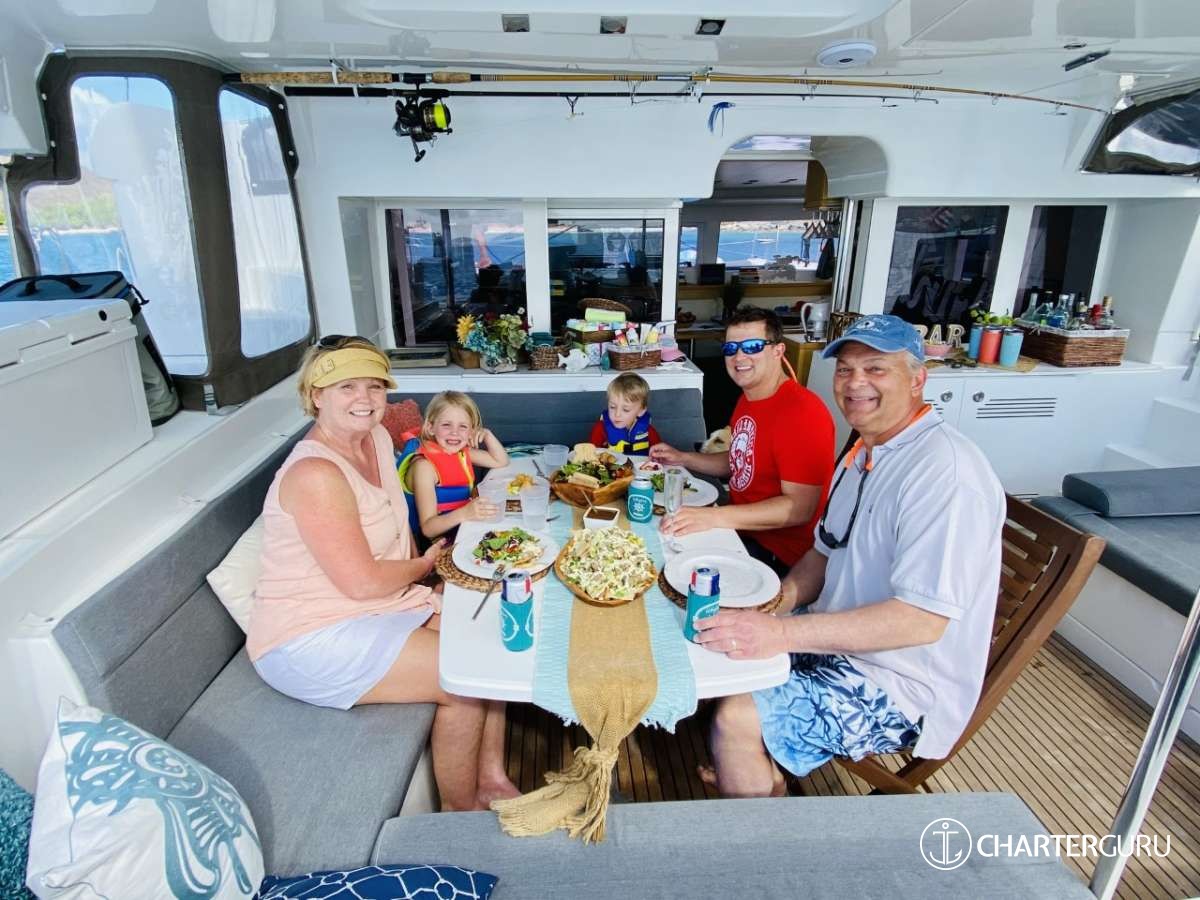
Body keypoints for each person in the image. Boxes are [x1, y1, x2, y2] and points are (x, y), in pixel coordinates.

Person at [694, 315, 1005, 797]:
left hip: (901, 683)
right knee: (714, 638)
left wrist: (778, 633)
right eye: (845, 369)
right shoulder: (863, 453)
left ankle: (754, 811)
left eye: (876, 368)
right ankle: (758, 778)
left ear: (917, 379)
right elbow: (823, 553)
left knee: (736, 716)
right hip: (836, 635)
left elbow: (920, 621)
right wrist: (773, 607)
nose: (855, 382)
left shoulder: (946, 474)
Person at [247, 336, 518, 811]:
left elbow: (395, 525)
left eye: (374, 386)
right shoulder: (315, 474)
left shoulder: (375, 438)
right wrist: (428, 567)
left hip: (381, 606)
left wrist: (428, 581)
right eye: (347, 386)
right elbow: (362, 582)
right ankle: (462, 813)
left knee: (487, 636)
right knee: (466, 677)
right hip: (311, 634)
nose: (365, 398)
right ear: (316, 395)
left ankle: (492, 776)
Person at [651, 306, 835, 574]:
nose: (739, 357)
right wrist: (683, 458)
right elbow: (740, 461)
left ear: (778, 351)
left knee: (668, 566)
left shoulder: (802, 412)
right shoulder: (749, 398)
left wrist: (713, 517)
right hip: (741, 531)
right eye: (731, 348)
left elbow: (799, 509)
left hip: (778, 556)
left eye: (752, 346)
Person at [398, 391, 510, 542]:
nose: (454, 433)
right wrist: (465, 513)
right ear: (430, 427)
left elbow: (500, 461)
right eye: (446, 425)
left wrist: (487, 435)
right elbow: (428, 529)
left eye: (463, 426)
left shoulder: (461, 453)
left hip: (462, 529)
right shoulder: (424, 467)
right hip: (431, 544)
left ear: (471, 431)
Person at [588, 372, 662, 454]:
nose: (617, 414)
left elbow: (660, 455)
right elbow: (590, 456)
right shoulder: (600, 429)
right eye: (612, 407)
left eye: (626, 410)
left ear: (641, 411)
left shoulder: (649, 432)